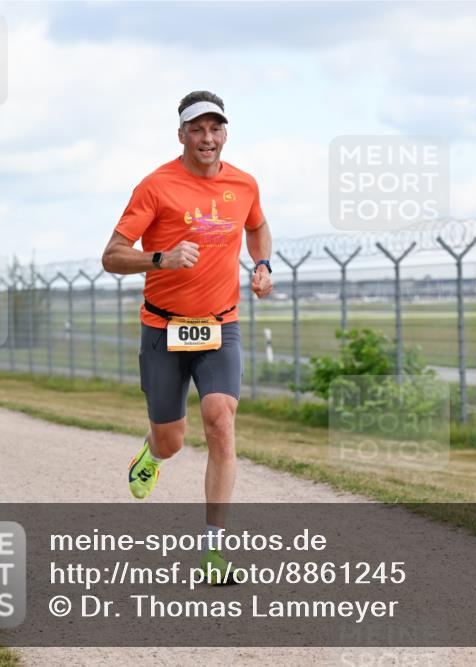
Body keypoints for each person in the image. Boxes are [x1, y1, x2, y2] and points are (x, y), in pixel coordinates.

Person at [101, 90, 273, 581]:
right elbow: (111, 256)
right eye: (197, 129)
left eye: (215, 128)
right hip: (163, 326)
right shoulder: (155, 187)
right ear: (181, 135)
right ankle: (152, 453)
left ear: (225, 134)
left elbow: (258, 228)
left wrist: (261, 264)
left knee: (220, 420)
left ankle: (214, 550)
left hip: (221, 324)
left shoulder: (244, 184)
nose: (207, 138)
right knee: (172, 441)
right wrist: (161, 257)